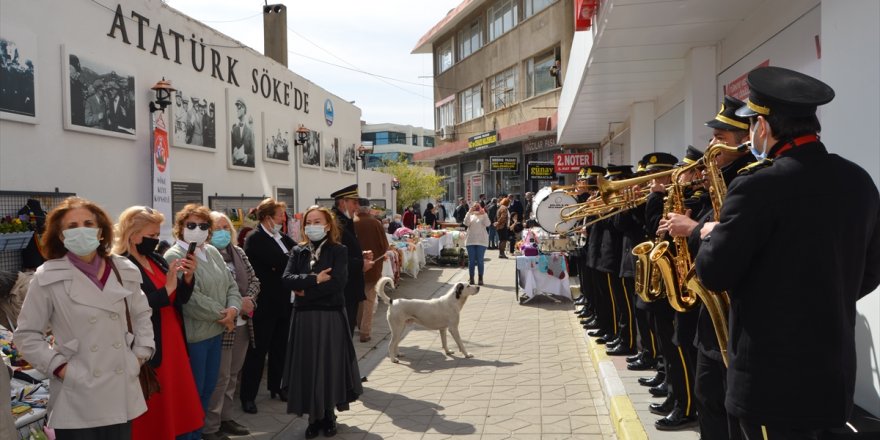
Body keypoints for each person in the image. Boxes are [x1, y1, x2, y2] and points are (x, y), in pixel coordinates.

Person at [696, 66, 880, 439]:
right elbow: (872, 269)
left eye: (750, 126)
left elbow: (714, 274)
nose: (749, 136)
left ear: (763, 126)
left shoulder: (756, 188)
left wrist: (710, 235)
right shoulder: (858, 180)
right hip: (833, 377)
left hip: (769, 382)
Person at [14, 197, 154, 439]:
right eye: (72, 226)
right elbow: (27, 335)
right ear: (60, 235)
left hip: (119, 387)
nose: (82, 230)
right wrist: (60, 368)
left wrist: (139, 356)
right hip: (76, 394)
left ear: (100, 232)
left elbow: (142, 315)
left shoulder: (124, 269)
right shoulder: (47, 277)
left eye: (88, 223)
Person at [662, 95, 753, 438]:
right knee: (707, 395)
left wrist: (693, 229)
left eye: (723, 134)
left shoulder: (749, 179)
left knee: (728, 406)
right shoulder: (719, 175)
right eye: (714, 133)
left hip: (735, 312)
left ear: (748, 136)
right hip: (711, 313)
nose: (714, 140)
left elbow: (732, 239)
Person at [115, 206, 204, 440]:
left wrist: (187, 277)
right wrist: (168, 288)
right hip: (151, 345)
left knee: (176, 402)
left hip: (172, 338)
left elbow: (179, 300)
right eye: (151, 235)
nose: (156, 241)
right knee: (156, 406)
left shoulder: (154, 259)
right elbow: (131, 309)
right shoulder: (122, 265)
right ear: (132, 235)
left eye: (157, 235)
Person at [281, 206, 364, 438]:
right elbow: (286, 280)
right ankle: (312, 417)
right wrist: (314, 279)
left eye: (317, 221)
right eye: (309, 221)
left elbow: (338, 283)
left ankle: (328, 414)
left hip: (330, 316)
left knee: (329, 366)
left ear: (327, 225)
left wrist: (306, 291)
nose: (312, 226)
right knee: (308, 365)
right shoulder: (298, 251)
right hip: (304, 319)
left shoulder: (339, 250)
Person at [164, 204, 242, 440]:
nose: (197, 229)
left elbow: (231, 285)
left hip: (215, 334)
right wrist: (224, 316)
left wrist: (233, 309)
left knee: (208, 390)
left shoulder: (212, 252)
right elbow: (190, 299)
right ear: (180, 228)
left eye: (203, 225)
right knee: (192, 394)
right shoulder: (174, 255)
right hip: (195, 336)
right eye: (191, 225)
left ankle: (198, 434)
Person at [204, 212, 260, 440]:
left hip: (242, 324)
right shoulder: (205, 256)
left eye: (225, 227)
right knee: (219, 377)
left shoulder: (238, 252)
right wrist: (236, 304)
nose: (222, 232)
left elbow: (255, 280)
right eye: (216, 228)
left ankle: (225, 418)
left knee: (233, 374)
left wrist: (250, 301)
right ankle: (210, 426)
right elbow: (209, 291)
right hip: (222, 324)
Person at [240, 198, 296, 414]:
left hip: (284, 301)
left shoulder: (281, 236)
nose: (283, 219)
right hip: (264, 304)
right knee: (258, 351)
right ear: (267, 218)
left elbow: (299, 252)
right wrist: (292, 258)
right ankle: (248, 396)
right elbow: (284, 261)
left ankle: (277, 386)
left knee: (280, 347)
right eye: (280, 215)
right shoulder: (256, 238)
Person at [330, 184, 373, 334]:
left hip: (350, 287)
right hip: (343, 290)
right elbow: (335, 257)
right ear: (343, 203)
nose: (357, 206)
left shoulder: (345, 220)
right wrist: (360, 264)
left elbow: (346, 250)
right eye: (354, 202)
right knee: (343, 334)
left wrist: (361, 255)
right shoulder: (336, 223)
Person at [354, 198, 389, 343]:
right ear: (368, 209)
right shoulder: (375, 222)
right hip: (373, 267)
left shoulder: (351, 223)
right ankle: (365, 332)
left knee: (357, 299)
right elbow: (384, 246)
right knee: (369, 300)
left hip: (354, 267)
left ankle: (357, 326)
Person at [463, 202, 490, 286]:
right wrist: (469, 212)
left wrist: (484, 213)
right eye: (474, 206)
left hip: (481, 241)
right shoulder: (470, 215)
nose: (476, 208)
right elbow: (466, 223)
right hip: (471, 240)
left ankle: (480, 278)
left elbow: (488, 224)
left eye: (478, 207)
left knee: (480, 260)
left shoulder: (484, 215)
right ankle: (471, 278)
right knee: (471, 261)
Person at [230, 98, 254, 167]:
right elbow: (230, 150)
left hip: (247, 168)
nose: (237, 109)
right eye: (236, 107)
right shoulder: (234, 130)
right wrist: (232, 155)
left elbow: (254, 155)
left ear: (244, 109)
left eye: (239, 107)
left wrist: (247, 157)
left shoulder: (250, 132)